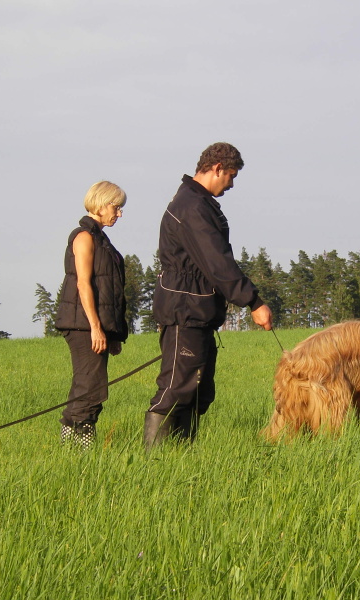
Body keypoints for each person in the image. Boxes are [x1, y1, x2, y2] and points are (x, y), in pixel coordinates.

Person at [145, 142, 273, 450]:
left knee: (198, 390)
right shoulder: (192, 207)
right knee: (177, 388)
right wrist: (252, 301)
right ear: (216, 168)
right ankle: (153, 463)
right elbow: (218, 263)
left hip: (198, 312)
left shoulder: (198, 203)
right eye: (230, 176)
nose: (231, 185)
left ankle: (180, 459)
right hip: (184, 312)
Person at [55, 181, 129, 450]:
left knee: (88, 384)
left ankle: (71, 447)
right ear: (102, 203)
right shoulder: (84, 237)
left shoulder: (101, 238)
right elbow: (83, 284)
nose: (119, 214)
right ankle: (79, 446)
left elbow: (110, 289)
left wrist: (113, 332)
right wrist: (96, 328)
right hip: (83, 326)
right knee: (92, 387)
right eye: (117, 207)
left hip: (94, 326)